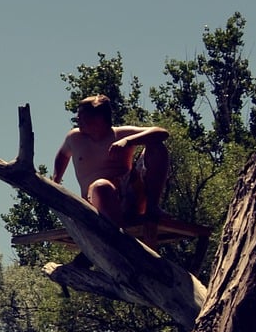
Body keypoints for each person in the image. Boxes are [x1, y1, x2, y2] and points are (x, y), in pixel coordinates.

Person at [52, 94, 171, 244]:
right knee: (101, 186)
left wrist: (128, 141)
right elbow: (62, 155)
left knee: (156, 146)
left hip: (129, 199)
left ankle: (152, 207)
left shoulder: (120, 134)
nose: (78, 121)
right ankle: (120, 240)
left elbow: (161, 132)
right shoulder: (74, 138)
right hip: (98, 202)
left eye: (82, 117)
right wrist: (56, 180)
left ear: (99, 117)